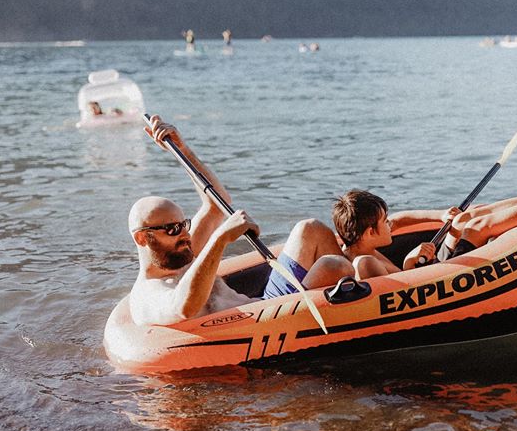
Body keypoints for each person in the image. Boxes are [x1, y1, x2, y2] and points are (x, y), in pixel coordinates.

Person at [129, 116, 352, 325]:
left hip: (267, 303)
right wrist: (220, 239)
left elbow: (216, 205)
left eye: (183, 225)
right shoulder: (147, 295)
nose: (184, 234)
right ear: (142, 238)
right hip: (264, 324)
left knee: (310, 229)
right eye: (172, 229)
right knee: (333, 266)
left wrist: (182, 150)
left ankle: (368, 280)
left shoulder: (181, 251)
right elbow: (184, 308)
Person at [332, 149, 517, 279]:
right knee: (477, 226)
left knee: (466, 216)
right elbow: (401, 292)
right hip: (434, 280)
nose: (390, 223)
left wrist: (441, 215)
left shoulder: (357, 245)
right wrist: (410, 262)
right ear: (370, 232)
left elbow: (399, 220)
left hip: (430, 269)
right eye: (384, 222)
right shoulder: (365, 264)